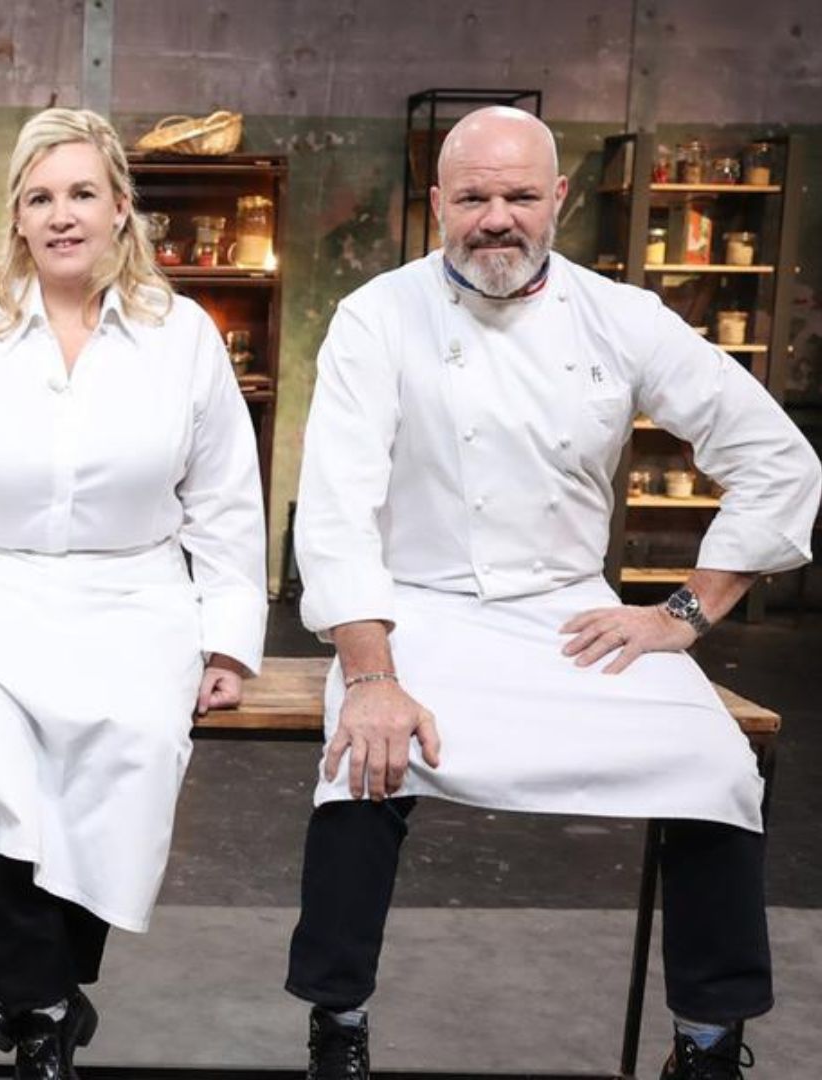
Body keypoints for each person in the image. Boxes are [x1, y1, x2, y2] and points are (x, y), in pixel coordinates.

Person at [288, 106, 818, 1080]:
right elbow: (335, 506)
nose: (497, 218)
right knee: (363, 766)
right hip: (418, 610)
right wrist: (370, 676)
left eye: (520, 195)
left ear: (559, 200)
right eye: (474, 197)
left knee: (715, 769)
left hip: (571, 616)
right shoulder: (378, 316)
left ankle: (708, 1044)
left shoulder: (622, 318)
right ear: (438, 202)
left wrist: (685, 612)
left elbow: (776, 459)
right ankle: (339, 1025)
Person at [0, 107, 268, 1079]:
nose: (62, 214)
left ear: (121, 208)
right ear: (18, 220)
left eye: (82, 193)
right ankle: (44, 1007)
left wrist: (228, 639)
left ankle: (26, 995)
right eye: (41, 198)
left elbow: (224, 501)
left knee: (132, 751)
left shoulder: (182, 338)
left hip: (135, 599)